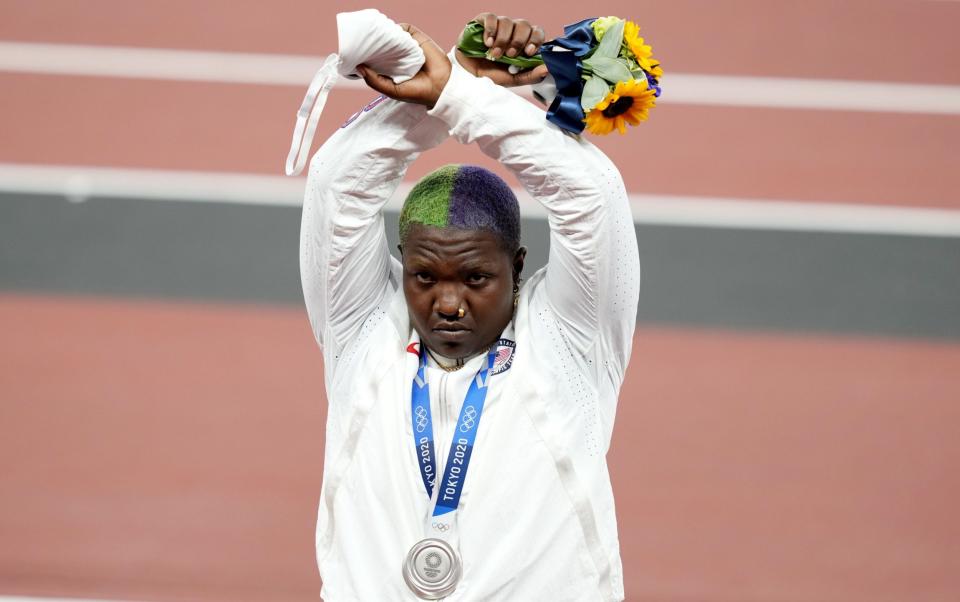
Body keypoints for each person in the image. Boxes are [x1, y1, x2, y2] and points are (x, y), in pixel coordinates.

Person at [299, 12, 640, 601]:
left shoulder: (570, 338)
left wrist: (463, 97)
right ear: (402, 263)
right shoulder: (361, 328)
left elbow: (592, 196)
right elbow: (338, 185)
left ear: (519, 266)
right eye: (424, 277)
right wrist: (442, 83)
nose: (448, 304)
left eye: (477, 277)